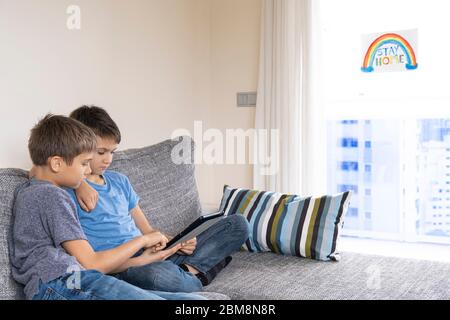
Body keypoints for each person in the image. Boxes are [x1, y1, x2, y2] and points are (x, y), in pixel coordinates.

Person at [9, 114, 205, 300]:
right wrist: (143, 240)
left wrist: (80, 183)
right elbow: (92, 263)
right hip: (63, 283)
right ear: (57, 163)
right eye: (84, 163)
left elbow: (36, 170)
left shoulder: (31, 190)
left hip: (65, 282)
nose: (87, 171)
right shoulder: (53, 196)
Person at [67, 105, 250, 292]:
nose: (108, 160)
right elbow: (41, 176)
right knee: (159, 277)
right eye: (101, 152)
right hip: (126, 266)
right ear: (80, 147)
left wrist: (176, 242)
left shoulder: (119, 181)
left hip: (151, 251)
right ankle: (201, 271)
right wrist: (80, 183)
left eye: (112, 152)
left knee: (238, 224)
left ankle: (187, 270)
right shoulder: (66, 191)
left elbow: (147, 230)